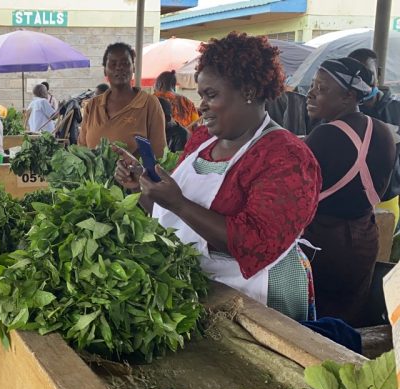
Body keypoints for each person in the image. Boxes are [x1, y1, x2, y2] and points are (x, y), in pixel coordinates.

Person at [114, 32, 321, 322]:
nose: (201, 106)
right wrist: (144, 190)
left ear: (248, 91)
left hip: (260, 295)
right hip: (203, 287)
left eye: (211, 96)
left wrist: (179, 204)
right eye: (202, 96)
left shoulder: (287, 157)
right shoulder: (202, 139)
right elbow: (173, 221)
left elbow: (255, 243)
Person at [302, 57, 396, 327]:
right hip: (364, 240)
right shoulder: (382, 132)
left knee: (315, 323)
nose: (311, 93)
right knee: (349, 319)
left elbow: (295, 194)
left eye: (321, 88)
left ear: (348, 96)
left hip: (322, 244)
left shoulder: (324, 136)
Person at [79, 42, 166, 156]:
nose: (119, 68)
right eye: (113, 64)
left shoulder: (149, 104)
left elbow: (159, 154)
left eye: (125, 63)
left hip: (136, 174)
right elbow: (82, 150)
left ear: (133, 68)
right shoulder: (92, 106)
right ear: (105, 70)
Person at [348, 48, 400, 229]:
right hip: (351, 201)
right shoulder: (343, 110)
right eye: (356, 76)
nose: (363, 81)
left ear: (377, 73)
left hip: (388, 198)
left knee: (386, 254)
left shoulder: (396, 110)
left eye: (367, 73)